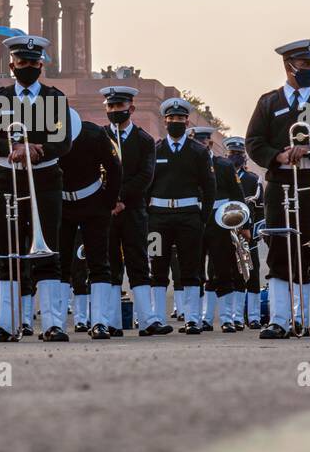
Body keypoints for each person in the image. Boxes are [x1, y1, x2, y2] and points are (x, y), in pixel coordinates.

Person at [244, 38, 310, 339]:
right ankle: (279, 319)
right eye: (305, 65)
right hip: (281, 183)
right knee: (279, 250)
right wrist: (276, 156)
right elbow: (253, 142)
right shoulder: (268, 102)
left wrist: (309, 148)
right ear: (288, 66)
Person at [0, 34, 76, 342]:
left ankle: (52, 324)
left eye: (35, 62)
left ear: (42, 65)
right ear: (12, 64)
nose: (29, 67)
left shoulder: (56, 98)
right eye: (23, 62)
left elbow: (63, 140)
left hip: (45, 180)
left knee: (47, 251)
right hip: (7, 180)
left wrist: (37, 149)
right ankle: (7, 323)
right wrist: (14, 148)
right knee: (8, 253)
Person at [144, 99, 214, 336]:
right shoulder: (156, 150)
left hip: (188, 216)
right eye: (171, 119)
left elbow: (209, 186)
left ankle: (192, 319)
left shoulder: (199, 151)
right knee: (158, 268)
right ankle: (157, 318)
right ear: (165, 122)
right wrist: (147, 215)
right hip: (158, 217)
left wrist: (202, 218)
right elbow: (146, 185)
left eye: (180, 119)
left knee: (191, 269)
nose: (175, 122)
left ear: (187, 121)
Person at [56, 119, 121, 340]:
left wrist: (108, 202)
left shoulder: (94, 134)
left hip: (93, 203)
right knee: (61, 265)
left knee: (99, 263)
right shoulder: (47, 132)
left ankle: (100, 322)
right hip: (63, 205)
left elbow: (115, 167)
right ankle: (56, 323)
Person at [101, 85, 155, 337]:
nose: (114, 111)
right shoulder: (101, 137)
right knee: (110, 265)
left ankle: (147, 320)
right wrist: (110, 200)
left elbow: (146, 176)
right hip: (107, 211)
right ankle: (111, 322)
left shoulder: (144, 140)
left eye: (118, 107)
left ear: (131, 108)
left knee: (138, 262)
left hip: (133, 209)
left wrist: (121, 198)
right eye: (110, 107)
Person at [196, 127, 243, 333]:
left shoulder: (224, 166)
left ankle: (227, 318)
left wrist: (242, 225)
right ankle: (199, 318)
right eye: (197, 141)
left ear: (210, 144)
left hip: (219, 221)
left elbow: (237, 196)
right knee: (195, 271)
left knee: (223, 270)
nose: (201, 145)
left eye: (204, 141)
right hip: (194, 219)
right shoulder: (187, 165)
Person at [225, 136, 263, 329]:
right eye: (232, 153)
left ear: (244, 157)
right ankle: (236, 317)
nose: (235, 157)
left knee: (253, 276)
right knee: (234, 276)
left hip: (249, 237)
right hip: (227, 235)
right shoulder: (222, 175)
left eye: (238, 154)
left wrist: (253, 233)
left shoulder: (253, 180)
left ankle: (254, 316)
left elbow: (261, 211)